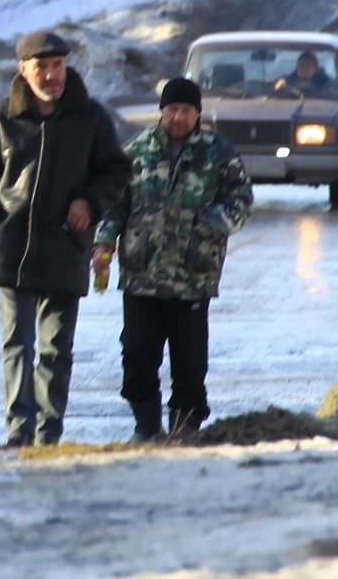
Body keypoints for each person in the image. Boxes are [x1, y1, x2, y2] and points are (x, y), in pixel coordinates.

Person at [0, 29, 133, 447]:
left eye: (57, 66)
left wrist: (90, 203)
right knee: (17, 344)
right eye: (42, 67)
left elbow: (116, 171)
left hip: (65, 246)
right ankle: (19, 435)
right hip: (11, 247)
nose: (51, 75)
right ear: (24, 70)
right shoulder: (2, 117)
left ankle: (48, 436)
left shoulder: (91, 118)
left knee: (56, 350)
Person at [92, 77, 253, 443]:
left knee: (190, 365)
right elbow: (115, 206)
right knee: (136, 355)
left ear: (197, 114)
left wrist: (205, 226)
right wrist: (104, 244)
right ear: (162, 111)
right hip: (141, 275)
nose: (178, 117)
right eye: (172, 110)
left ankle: (185, 431)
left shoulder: (218, 152)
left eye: (186, 110)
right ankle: (146, 427)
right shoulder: (137, 151)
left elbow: (241, 201)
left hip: (191, 277)